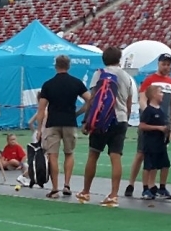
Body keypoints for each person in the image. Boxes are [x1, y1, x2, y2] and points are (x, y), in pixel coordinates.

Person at [76, 46, 136, 207]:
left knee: (93, 155)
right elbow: (129, 104)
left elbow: (93, 99)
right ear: (119, 58)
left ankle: (85, 192)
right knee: (116, 157)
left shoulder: (99, 74)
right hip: (120, 118)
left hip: (101, 120)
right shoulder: (127, 77)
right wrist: (125, 120)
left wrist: (86, 121)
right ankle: (114, 195)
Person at [33, 54, 89, 198]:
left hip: (52, 123)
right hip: (70, 122)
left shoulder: (48, 84)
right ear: (69, 66)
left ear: (56, 66)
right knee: (69, 153)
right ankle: (67, 185)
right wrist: (78, 113)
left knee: (53, 156)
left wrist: (39, 128)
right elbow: (90, 100)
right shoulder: (76, 83)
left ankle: (55, 188)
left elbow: (41, 110)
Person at [127, 53, 171, 197]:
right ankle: (131, 183)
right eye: (164, 64)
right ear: (159, 64)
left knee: (157, 154)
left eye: (168, 64)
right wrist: (148, 113)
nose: (166, 67)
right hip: (151, 121)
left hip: (164, 123)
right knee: (141, 153)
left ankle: (152, 185)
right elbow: (142, 98)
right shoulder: (150, 79)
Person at [135, 84, 171, 200]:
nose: (162, 95)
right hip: (150, 144)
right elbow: (142, 126)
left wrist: (167, 132)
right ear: (153, 95)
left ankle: (162, 187)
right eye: (160, 92)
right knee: (149, 166)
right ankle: (145, 189)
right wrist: (158, 128)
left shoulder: (161, 110)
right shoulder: (148, 111)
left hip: (161, 144)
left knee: (165, 165)